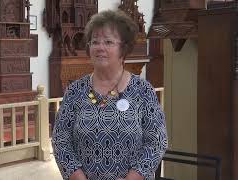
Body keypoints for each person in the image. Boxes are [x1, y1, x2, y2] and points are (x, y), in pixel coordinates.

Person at [52, 10, 168, 180]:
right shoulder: (75, 91)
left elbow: (157, 141)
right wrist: (78, 177)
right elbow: (60, 140)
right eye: (95, 42)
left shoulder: (143, 90)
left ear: (124, 48)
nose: (100, 48)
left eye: (108, 42)